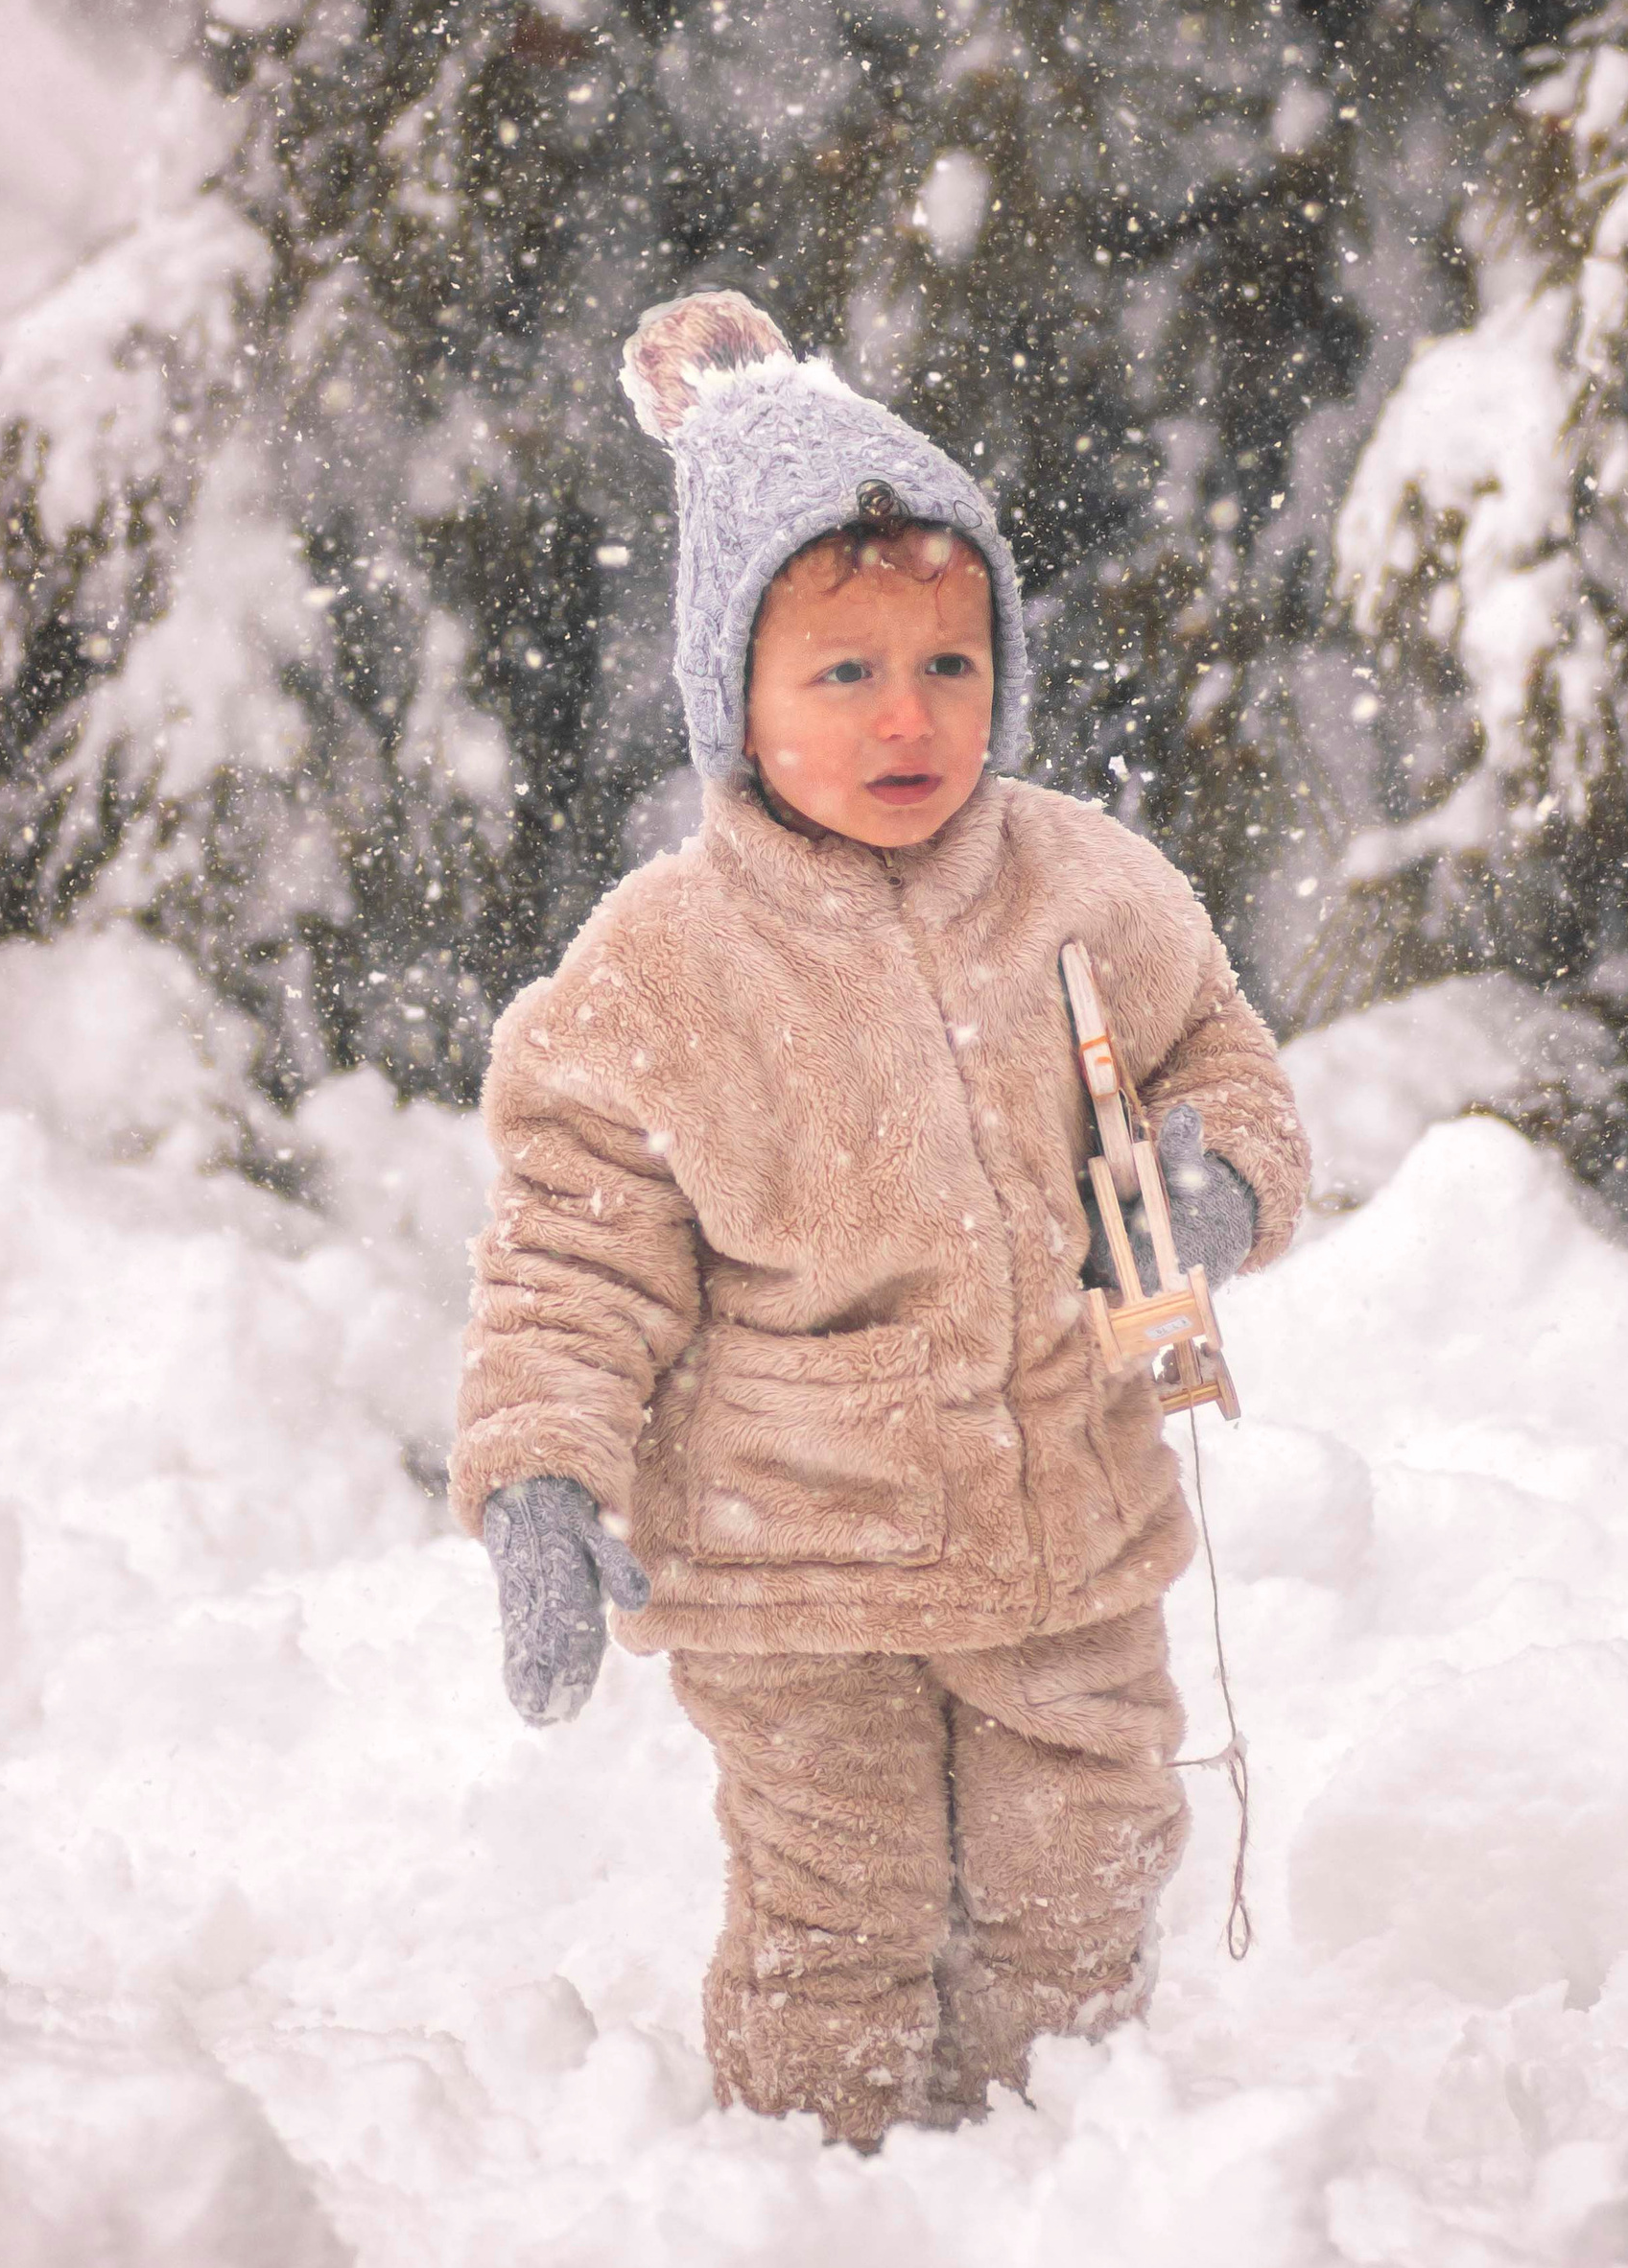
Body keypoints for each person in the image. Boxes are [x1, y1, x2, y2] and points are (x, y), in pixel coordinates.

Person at [450, 289, 1308, 2146]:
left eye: (949, 663)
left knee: (1078, 1873)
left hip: (1065, 1524)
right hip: (787, 1568)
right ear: (729, 700)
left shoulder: (1088, 881)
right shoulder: (662, 963)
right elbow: (570, 1253)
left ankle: (1051, 2177)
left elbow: (1219, 1059)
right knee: (836, 1912)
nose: (908, 714)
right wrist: (538, 1471)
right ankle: (823, 2207)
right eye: (842, 674)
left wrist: (1215, 1178)